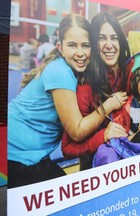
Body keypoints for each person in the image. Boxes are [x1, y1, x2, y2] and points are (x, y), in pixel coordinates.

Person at [8, 13, 126, 188]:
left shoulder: (73, 70)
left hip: (33, 154)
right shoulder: (60, 72)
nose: (80, 53)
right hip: (18, 154)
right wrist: (108, 106)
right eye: (72, 45)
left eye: (85, 45)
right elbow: (77, 131)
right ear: (60, 47)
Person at [61, 11, 131, 170]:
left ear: (121, 40)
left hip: (130, 166)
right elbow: (67, 149)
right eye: (101, 38)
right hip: (98, 170)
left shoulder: (132, 73)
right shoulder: (86, 85)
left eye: (114, 37)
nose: (109, 44)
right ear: (93, 43)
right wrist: (103, 135)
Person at [92, 50, 140, 167]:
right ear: (136, 85)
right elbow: (120, 139)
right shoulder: (130, 107)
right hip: (129, 150)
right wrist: (139, 133)